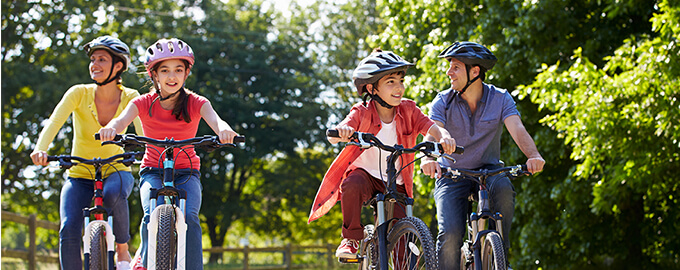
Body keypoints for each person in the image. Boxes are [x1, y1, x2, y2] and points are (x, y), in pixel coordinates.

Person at [98, 38, 239, 270]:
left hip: (187, 172)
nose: (171, 76)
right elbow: (121, 120)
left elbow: (216, 120)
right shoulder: (143, 102)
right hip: (152, 170)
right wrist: (111, 128)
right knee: (149, 213)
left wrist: (224, 131)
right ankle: (144, 258)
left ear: (186, 74)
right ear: (153, 74)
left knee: (191, 218)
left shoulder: (196, 102)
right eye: (164, 70)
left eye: (178, 70)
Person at [307, 49, 458, 259]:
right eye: (391, 82)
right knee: (352, 183)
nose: (399, 87)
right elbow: (335, 135)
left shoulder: (409, 110)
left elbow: (430, 127)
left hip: (395, 181)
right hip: (366, 177)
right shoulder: (361, 112)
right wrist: (342, 132)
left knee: (403, 247)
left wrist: (444, 136)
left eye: (401, 80)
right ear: (372, 88)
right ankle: (351, 238)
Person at [421, 41, 546, 269]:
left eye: (455, 66)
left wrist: (533, 155)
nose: (449, 72)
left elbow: (517, 129)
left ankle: (500, 255)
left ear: (475, 71)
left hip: (490, 171)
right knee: (450, 235)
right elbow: (433, 132)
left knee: (505, 190)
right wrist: (428, 159)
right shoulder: (442, 101)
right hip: (452, 175)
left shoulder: (500, 98)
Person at [30, 35, 142, 270]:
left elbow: (143, 134)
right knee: (68, 227)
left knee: (113, 194)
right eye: (92, 59)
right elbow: (54, 122)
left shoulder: (132, 98)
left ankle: (122, 247)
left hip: (116, 170)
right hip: (79, 173)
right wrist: (41, 149)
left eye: (102, 59)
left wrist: (148, 154)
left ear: (118, 65)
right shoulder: (78, 93)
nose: (95, 64)